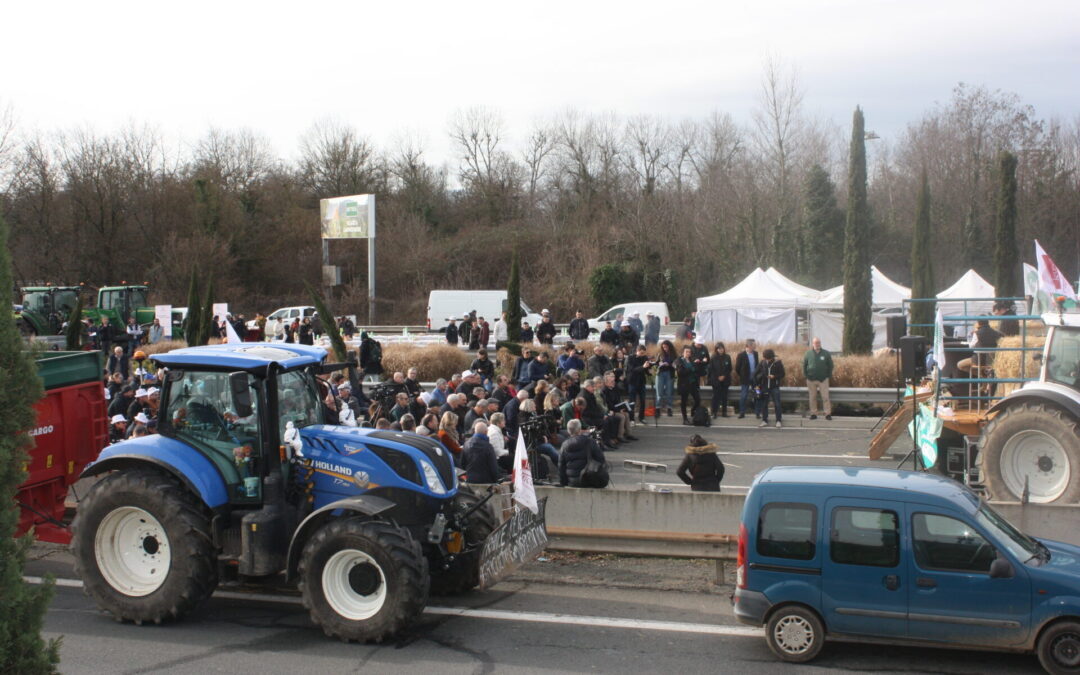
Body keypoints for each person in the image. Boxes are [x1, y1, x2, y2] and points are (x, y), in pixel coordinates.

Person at [558, 419, 608, 488]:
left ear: (568, 431)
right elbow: (601, 459)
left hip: (573, 482)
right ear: (579, 429)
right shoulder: (590, 441)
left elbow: (561, 466)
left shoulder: (564, 445)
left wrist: (563, 483)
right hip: (590, 479)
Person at [802, 337, 834, 421]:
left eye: (818, 343)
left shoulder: (826, 353)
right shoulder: (808, 353)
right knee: (812, 397)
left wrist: (828, 375)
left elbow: (830, 365)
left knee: (825, 397)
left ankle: (827, 414)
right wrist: (806, 375)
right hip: (811, 379)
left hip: (823, 379)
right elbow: (804, 365)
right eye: (816, 343)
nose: (817, 344)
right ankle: (813, 414)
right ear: (812, 344)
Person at [755, 348, 786, 429]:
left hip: (774, 387)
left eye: (767, 358)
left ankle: (778, 420)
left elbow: (782, 374)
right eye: (765, 358)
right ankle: (764, 420)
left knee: (777, 404)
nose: (766, 359)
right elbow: (756, 373)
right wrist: (758, 383)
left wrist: (774, 376)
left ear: (771, 357)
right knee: (764, 404)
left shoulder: (778, 363)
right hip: (764, 387)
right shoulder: (762, 362)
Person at [625, 344, 651, 423]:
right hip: (632, 381)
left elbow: (646, 370)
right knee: (632, 401)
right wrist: (643, 367)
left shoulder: (645, 358)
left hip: (641, 382)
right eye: (641, 353)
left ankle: (641, 417)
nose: (643, 354)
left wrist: (649, 371)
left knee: (643, 400)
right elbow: (632, 370)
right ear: (637, 351)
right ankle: (631, 418)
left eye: (644, 353)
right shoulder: (630, 358)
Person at [735, 339, 759, 419]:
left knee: (757, 394)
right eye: (753, 345)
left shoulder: (756, 354)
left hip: (755, 379)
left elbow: (757, 366)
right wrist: (742, 375)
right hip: (745, 379)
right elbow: (737, 368)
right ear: (748, 346)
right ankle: (742, 412)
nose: (755, 346)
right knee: (743, 396)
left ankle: (757, 412)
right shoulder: (741, 355)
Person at [676, 345, 701, 425]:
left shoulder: (692, 360)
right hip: (684, 384)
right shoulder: (679, 360)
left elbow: (696, 370)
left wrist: (696, 365)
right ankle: (685, 419)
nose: (688, 353)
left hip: (693, 383)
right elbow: (680, 372)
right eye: (686, 352)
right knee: (684, 402)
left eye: (689, 352)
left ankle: (693, 411)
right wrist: (690, 369)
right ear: (683, 352)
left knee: (697, 400)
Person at [708, 342, 733, 418]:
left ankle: (724, 412)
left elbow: (729, 368)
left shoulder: (727, 357)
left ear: (724, 349)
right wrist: (718, 377)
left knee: (724, 397)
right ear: (716, 349)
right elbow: (711, 369)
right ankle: (714, 412)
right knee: (716, 397)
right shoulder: (713, 357)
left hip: (725, 380)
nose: (720, 350)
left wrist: (724, 376)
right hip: (716, 381)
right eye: (719, 349)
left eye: (722, 348)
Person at [655, 340, 677, 417]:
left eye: (666, 347)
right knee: (659, 392)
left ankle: (669, 408)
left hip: (669, 374)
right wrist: (660, 363)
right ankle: (657, 408)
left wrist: (669, 364)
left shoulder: (674, 354)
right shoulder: (660, 353)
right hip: (660, 373)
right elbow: (656, 362)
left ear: (669, 346)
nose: (665, 348)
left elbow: (675, 364)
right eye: (663, 347)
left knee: (669, 392)